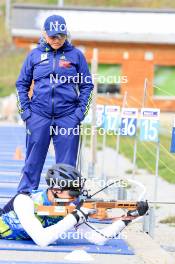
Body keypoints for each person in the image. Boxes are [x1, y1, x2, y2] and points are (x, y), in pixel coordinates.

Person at [16, 14, 94, 194]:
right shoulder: (34, 55)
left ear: (66, 34)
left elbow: (87, 85)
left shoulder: (76, 55)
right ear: (44, 34)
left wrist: (79, 114)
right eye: (52, 36)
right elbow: (21, 84)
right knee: (32, 161)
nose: (57, 39)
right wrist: (26, 113)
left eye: (61, 35)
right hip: (38, 116)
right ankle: (25, 196)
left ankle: (64, 200)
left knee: (66, 166)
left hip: (68, 117)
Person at [0, 164, 148, 247]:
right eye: (72, 194)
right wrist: (77, 216)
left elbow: (98, 238)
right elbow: (42, 240)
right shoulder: (25, 201)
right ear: (56, 189)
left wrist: (127, 218)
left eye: (77, 194)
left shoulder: (68, 209)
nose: (75, 199)